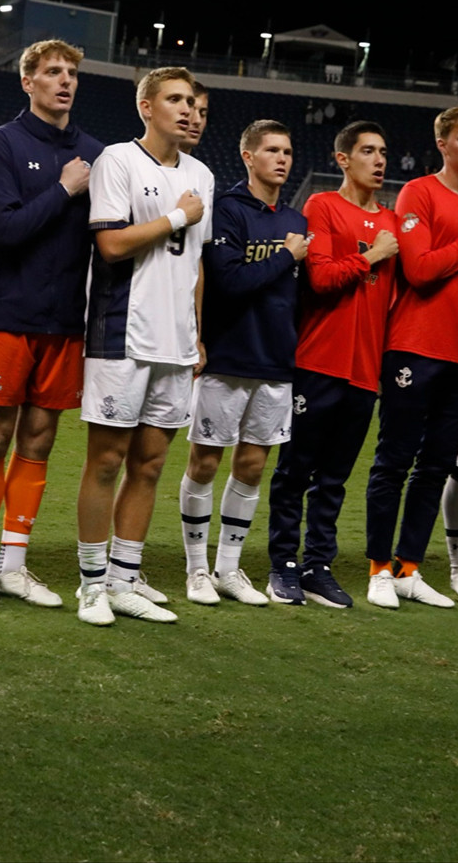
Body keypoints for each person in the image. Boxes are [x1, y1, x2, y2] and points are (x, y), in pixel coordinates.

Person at [0, 39, 102, 610]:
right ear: (28, 82)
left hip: (66, 321)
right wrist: (65, 189)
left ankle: (14, 565)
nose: (64, 80)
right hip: (7, 314)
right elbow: (9, 231)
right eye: (51, 72)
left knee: (39, 440)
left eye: (71, 72)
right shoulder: (1, 143)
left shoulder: (96, 151)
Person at [74, 66, 212, 625]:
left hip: (176, 344)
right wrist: (177, 215)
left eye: (195, 104)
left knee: (150, 465)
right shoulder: (118, 160)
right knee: (106, 461)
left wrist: (197, 334)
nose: (188, 111)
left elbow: (196, 264)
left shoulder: (201, 174)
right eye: (175, 100)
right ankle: (90, 584)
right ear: (146, 107)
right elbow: (110, 244)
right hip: (121, 335)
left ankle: (125, 578)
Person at [366, 106, 458, 610]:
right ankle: (379, 568)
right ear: (443, 144)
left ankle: (408, 568)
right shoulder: (419, 192)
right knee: (394, 459)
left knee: (436, 466)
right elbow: (418, 269)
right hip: (415, 345)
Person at [265, 121, 398, 608]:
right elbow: (320, 278)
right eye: (368, 151)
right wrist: (373, 257)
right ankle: (282, 566)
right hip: (318, 362)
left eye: (383, 151)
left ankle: (318, 566)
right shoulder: (322, 206)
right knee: (294, 472)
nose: (379, 160)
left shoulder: (390, 220)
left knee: (336, 478)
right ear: (343, 159)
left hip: (364, 371)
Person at [178, 119, 306, 607]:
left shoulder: (296, 219)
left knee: (252, 465)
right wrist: (286, 257)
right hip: (228, 354)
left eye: (288, 151)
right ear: (248, 156)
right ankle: (195, 570)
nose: (282, 159)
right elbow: (228, 283)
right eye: (272, 150)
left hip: (276, 360)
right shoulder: (226, 210)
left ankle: (228, 570)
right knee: (206, 461)